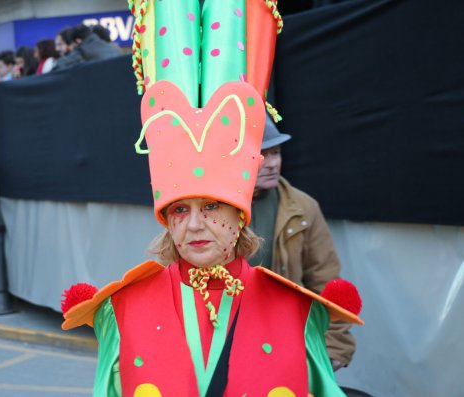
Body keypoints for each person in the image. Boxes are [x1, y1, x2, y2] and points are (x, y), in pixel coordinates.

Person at [61, 3, 363, 395]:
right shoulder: (121, 311)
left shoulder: (296, 311)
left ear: (240, 215)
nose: (195, 225)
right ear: (166, 220)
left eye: (212, 207)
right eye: (180, 210)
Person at [249, 116, 356, 370]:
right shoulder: (209, 211)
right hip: (227, 343)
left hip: (287, 342)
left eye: (276, 153)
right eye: (263, 155)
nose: (274, 164)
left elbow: (327, 282)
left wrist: (334, 345)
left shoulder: (303, 208)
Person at [53, 23, 122, 71]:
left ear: (78, 41)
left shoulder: (83, 51)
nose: (72, 47)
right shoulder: (113, 48)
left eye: (72, 44)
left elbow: (58, 67)